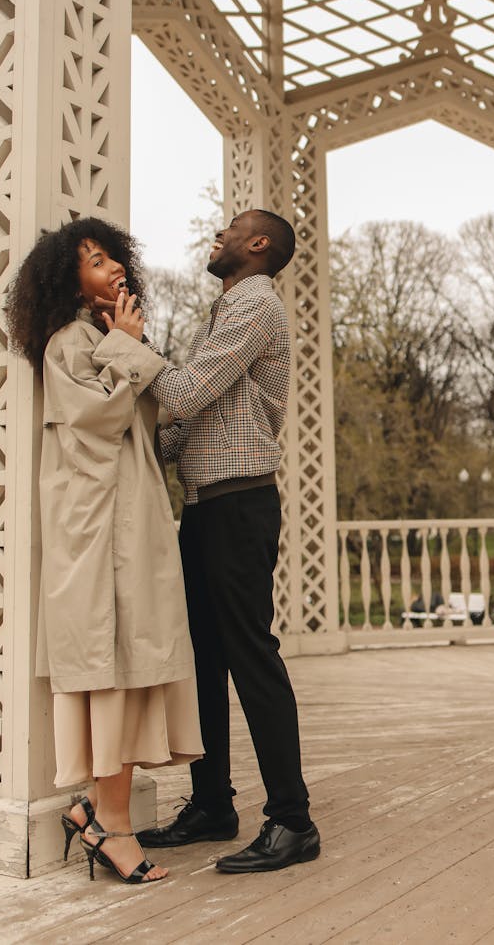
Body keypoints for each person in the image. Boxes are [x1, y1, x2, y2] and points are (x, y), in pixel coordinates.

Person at [5, 217, 203, 885]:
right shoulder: (69, 341)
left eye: (112, 255)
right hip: (96, 531)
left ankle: (98, 811)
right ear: (69, 280)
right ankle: (109, 826)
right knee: (109, 667)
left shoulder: (102, 338)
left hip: (128, 522)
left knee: (128, 660)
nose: (111, 265)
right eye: (93, 261)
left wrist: (123, 345)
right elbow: (94, 426)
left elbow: (150, 417)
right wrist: (126, 346)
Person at [136, 208, 320, 873]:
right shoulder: (225, 312)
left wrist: (128, 344)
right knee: (203, 660)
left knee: (250, 657)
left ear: (259, 244)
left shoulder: (256, 307)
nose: (218, 234)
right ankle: (213, 802)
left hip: (241, 505)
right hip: (206, 510)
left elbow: (183, 392)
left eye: (231, 228)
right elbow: (187, 420)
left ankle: (293, 819)